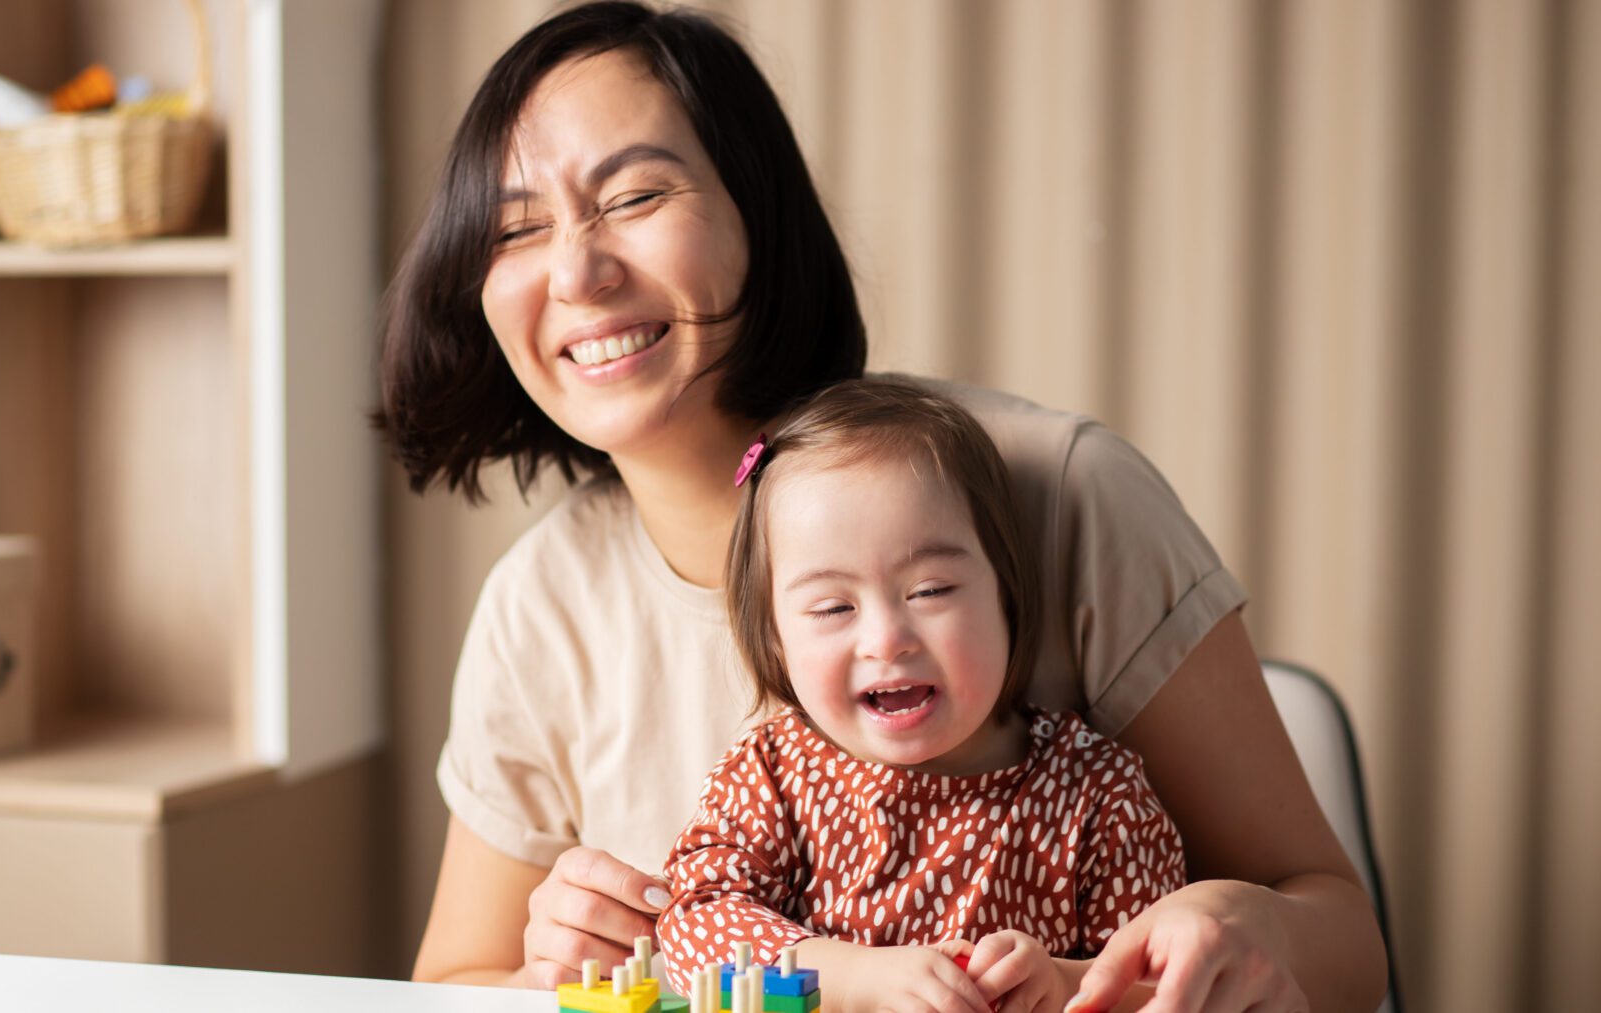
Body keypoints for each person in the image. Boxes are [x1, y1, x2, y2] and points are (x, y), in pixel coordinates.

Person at [377, 3, 1388, 1009]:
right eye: (515, 228)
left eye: (637, 194)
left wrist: (1252, 933)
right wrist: (545, 972)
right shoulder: (541, 600)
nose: (577, 269)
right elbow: (452, 986)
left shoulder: (1065, 491)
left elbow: (1344, 938)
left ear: (758, 216)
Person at [656, 379, 1187, 1013]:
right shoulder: (773, 775)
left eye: (931, 590)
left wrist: (1064, 984)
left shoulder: (1098, 795)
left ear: (1006, 597)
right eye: (831, 607)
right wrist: (855, 979)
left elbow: (1166, 980)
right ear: (775, 643)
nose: (887, 639)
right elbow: (693, 924)